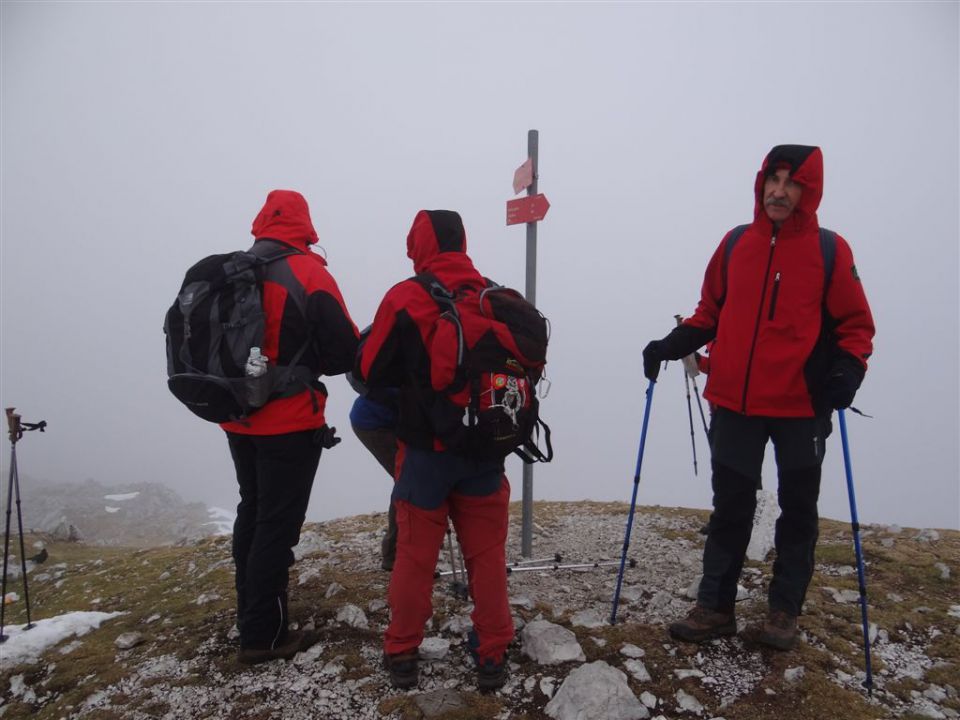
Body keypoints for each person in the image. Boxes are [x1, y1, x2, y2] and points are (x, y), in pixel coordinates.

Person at [642, 145, 875, 651]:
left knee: (798, 513)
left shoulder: (830, 251)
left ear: (808, 193)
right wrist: (672, 344)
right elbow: (709, 312)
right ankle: (715, 607)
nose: (779, 190)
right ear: (761, 183)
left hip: (800, 408)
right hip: (735, 404)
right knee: (730, 509)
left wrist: (849, 370)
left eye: (792, 183)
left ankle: (783, 613)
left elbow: (856, 326)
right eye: (774, 179)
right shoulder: (734, 244)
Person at [355, 209, 514, 691]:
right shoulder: (495, 295)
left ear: (418, 244)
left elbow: (367, 370)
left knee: (415, 556)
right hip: (487, 450)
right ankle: (492, 654)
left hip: (425, 453)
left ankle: (402, 652)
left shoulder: (407, 296)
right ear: (462, 241)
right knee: (486, 556)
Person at [223, 189, 359, 665]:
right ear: (305, 224)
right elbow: (344, 352)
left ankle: (250, 617)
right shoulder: (308, 272)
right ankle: (264, 635)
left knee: (253, 508)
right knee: (276, 524)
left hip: (237, 415)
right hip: (289, 420)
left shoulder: (234, 270)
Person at [348, 388, 400, 570]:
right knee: (409, 479)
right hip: (375, 423)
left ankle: (406, 545)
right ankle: (394, 553)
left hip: (381, 420)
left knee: (412, 478)